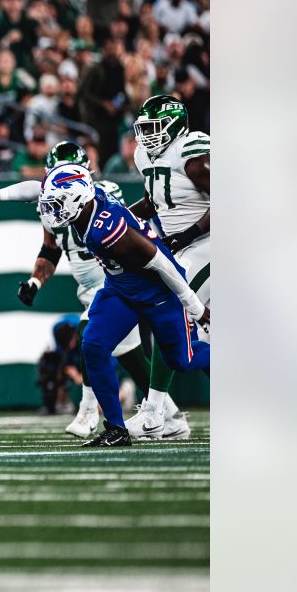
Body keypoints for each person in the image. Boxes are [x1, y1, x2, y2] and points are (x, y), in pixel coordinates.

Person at [0, 142, 159, 438]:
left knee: (89, 335)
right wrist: (35, 281)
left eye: (69, 176)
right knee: (131, 356)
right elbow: (50, 248)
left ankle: (87, 411)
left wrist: (1, 194)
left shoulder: (105, 194)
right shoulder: (51, 204)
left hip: (116, 281)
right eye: (57, 176)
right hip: (91, 287)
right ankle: (167, 413)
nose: (61, 184)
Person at [37, 163, 209, 447]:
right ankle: (116, 428)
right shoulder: (86, 206)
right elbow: (37, 189)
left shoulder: (106, 227)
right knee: (92, 344)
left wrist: (194, 306)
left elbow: (160, 261)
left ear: (77, 198)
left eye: (57, 203)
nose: (51, 211)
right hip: (121, 288)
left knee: (181, 360)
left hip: (159, 292)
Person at [126, 94, 211, 438]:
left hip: (209, 243)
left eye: (154, 127)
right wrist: (122, 219)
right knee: (205, 333)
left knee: (169, 306)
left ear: (175, 124)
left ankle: (155, 413)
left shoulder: (191, 151)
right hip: (186, 248)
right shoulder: (144, 156)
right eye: (144, 128)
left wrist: (188, 234)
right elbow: (156, 200)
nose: (148, 134)